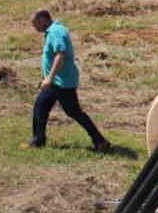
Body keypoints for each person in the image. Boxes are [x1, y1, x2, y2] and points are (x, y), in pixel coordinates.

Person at [21, 9, 111, 152]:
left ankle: (100, 141)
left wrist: (49, 78)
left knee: (74, 112)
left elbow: (60, 55)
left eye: (34, 23)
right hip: (56, 82)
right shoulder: (53, 31)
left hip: (61, 83)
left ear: (43, 19)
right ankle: (38, 140)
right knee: (41, 107)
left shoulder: (56, 32)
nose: (33, 26)